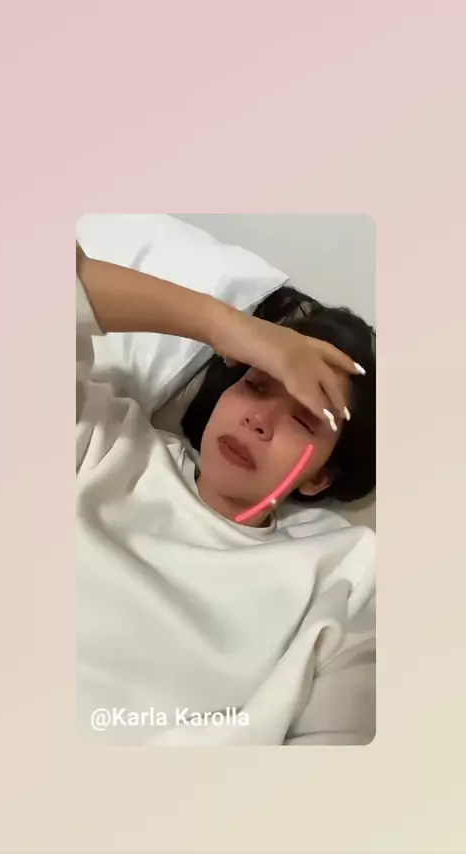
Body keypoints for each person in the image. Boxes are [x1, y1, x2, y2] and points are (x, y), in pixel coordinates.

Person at [76, 243, 376, 746]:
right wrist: (224, 325)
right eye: (256, 385)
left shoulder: (345, 569)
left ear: (320, 477)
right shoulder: (108, 443)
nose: (260, 419)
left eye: (304, 419)